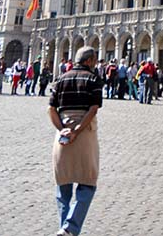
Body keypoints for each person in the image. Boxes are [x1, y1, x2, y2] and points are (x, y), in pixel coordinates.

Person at [49, 45, 104, 236]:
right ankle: (70, 228)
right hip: (83, 136)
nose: (96, 64)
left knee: (63, 187)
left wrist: (62, 129)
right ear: (89, 61)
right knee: (87, 183)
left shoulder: (60, 79)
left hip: (62, 137)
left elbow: (50, 109)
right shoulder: (93, 79)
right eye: (95, 60)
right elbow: (93, 109)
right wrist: (77, 130)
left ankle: (66, 230)